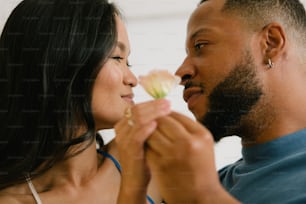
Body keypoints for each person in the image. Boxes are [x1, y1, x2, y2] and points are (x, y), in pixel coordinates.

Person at [115, 0, 306, 203]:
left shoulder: (205, 190)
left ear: (271, 43)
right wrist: (133, 185)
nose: (180, 73)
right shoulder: (218, 183)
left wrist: (205, 195)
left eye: (201, 45)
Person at [0, 0, 169, 203]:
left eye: (128, 61)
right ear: (62, 62)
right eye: (117, 57)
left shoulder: (145, 160)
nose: (132, 79)